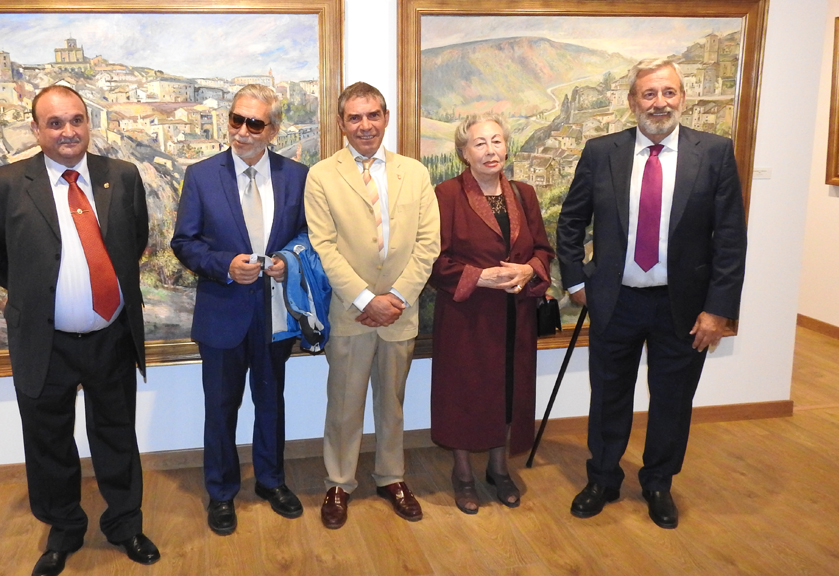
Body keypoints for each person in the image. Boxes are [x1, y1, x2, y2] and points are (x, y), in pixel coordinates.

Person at [0, 85, 159, 576]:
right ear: (36, 130)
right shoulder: (4, 184)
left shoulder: (123, 176)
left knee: (116, 435)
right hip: (44, 341)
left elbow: (133, 241)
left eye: (77, 120)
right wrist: (38, 294)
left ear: (88, 123)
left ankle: (125, 524)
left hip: (111, 336)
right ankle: (64, 530)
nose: (68, 131)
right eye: (55, 123)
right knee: (48, 440)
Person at [556, 58, 747, 529]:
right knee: (608, 396)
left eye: (668, 93)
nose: (659, 103)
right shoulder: (602, 152)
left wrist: (718, 309)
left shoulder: (715, 153)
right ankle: (602, 478)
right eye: (649, 94)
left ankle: (658, 483)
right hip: (615, 301)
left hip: (682, 308)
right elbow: (571, 222)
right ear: (632, 102)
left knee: (672, 399)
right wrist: (578, 282)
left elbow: (730, 239)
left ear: (683, 98)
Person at [171, 84, 307, 535]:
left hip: (275, 315)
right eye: (236, 120)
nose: (242, 131)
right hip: (222, 313)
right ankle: (222, 492)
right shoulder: (201, 175)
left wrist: (290, 261)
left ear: (273, 129)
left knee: (271, 403)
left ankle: (271, 481)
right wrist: (225, 267)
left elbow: (308, 237)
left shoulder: (296, 176)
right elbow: (184, 243)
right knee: (221, 407)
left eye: (254, 123)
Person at [305, 81, 440, 529]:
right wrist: (367, 299)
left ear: (386, 117)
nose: (366, 125)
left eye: (374, 115)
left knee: (393, 402)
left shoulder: (415, 173)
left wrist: (395, 298)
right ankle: (339, 482)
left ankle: (391, 476)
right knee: (344, 403)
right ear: (341, 123)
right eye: (355, 117)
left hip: (401, 311)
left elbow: (428, 244)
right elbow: (325, 248)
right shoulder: (322, 175)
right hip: (350, 312)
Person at [429, 113, 554, 514]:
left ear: (507, 147)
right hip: (467, 316)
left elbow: (542, 251)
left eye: (497, 141)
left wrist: (527, 269)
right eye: (480, 143)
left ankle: (499, 469)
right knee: (464, 393)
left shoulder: (523, 193)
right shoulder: (445, 195)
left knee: (508, 391)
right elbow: (434, 261)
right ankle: (463, 473)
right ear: (463, 152)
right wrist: (479, 277)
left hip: (515, 316)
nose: (490, 150)